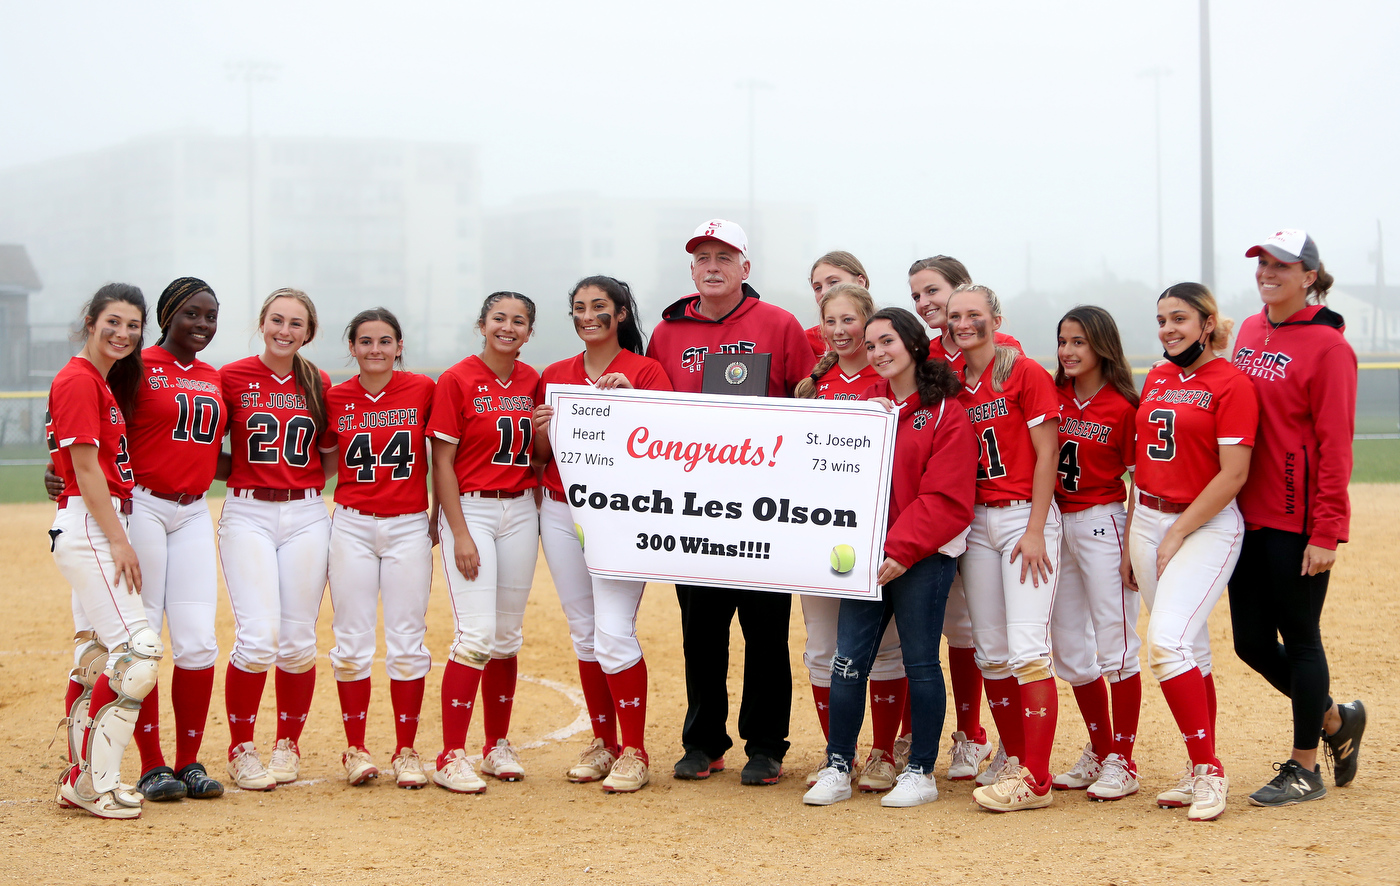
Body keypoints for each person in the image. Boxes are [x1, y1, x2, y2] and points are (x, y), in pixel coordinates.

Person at [645, 218, 815, 785]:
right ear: (692, 269)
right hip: (694, 510)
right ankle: (703, 741)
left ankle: (766, 745)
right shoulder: (668, 333)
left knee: (767, 632)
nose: (712, 266)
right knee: (701, 630)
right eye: (703, 258)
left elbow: (805, 408)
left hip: (764, 511)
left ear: (746, 267)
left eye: (725, 257)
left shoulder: (779, 324)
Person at [802, 307, 977, 808]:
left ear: (915, 345)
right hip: (866, 558)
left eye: (888, 343)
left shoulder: (947, 411)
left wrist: (900, 550)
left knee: (921, 662)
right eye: (871, 344)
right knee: (847, 661)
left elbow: (946, 498)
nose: (878, 353)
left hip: (923, 556)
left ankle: (920, 770)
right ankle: (838, 765)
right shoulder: (866, 407)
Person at [1229, 230, 1365, 805]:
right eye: (1262, 262)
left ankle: (1305, 766)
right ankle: (1336, 718)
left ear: (1309, 275)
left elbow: (1335, 446)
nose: (1268, 272)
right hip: (1243, 514)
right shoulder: (1249, 328)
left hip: (1294, 516)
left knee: (1302, 641)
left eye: (1282, 265)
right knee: (1252, 644)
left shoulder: (1331, 348)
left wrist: (1327, 530)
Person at [533, 276, 672, 793]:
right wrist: (542, 429)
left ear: (620, 314)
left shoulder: (646, 370)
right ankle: (603, 741)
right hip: (560, 510)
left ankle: (634, 749)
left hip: (620, 514)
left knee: (613, 632)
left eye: (599, 307)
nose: (588, 315)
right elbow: (543, 459)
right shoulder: (555, 374)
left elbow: (668, 447)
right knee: (584, 630)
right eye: (579, 308)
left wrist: (635, 400)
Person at [1126, 282, 1257, 822]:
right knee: (1192, 651)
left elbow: (1235, 474)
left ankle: (1210, 770)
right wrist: (1136, 528)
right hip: (1149, 519)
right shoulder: (1157, 376)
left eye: (1179, 319)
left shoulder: (1232, 384)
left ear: (1207, 324)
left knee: (1167, 644)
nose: (1168, 330)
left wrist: (1178, 531)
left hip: (1203, 525)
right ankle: (1196, 766)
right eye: (1161, 320)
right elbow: (1143, 465)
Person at [946, 283, 1064, 813]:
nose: (964, 323)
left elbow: (1047, 455)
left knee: (1027, 649)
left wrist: (1037, 527)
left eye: (975, 314)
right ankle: (1018, 761)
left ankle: (1037, 779)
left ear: (996, 317)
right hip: (974, 522)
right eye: (955, 316)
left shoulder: (1024, 372)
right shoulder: (950, 381)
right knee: (991, 652)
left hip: (1021, 518)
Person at [49, 284, 160, 819]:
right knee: (136, 657)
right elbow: (86, 470)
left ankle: (79, 780)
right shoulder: (77, 380)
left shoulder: (98, 380)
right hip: (93, 526)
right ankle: (101, 786)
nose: (123, 333)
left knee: (95, 660)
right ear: (90, 320)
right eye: (113, 322)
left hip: (89, 523)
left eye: (133, 326)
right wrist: (119, 539)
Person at [793, 283, 908, 793]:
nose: (840, 332)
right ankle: (837, 752)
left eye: (849, 321)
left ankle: (883, 753)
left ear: (868, 322)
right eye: (830, 322)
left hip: (878, 531)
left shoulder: (889, 381)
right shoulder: (813, 386)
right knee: (822, 648)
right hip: (820, 531)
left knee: (884, 651)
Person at [218, 288, 332, 791]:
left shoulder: (317, 381)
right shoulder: (231, 377)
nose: (285, 331)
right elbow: (203, 444)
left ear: (309, 332)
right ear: (261, 322)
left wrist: (301, 484)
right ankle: (241, 747)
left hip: (307, 511)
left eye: (296, 324)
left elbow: (327, 454)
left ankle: (288, 744)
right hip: (248, 511)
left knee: (300, 641)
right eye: (277, 320)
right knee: (258, 638)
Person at [428, 291, 541, 794]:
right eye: (499, 318)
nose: (508, 327)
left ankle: (496, 745)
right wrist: (458, 532)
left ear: (530, 332)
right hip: (472, 507)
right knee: (474, 635)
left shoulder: (532, 380)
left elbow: (537, 455)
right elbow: (442, 463)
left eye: (519, 321)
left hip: (520, 508)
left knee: (507, 638)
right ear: (482, 324)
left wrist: (546, 431)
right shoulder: (456, 378)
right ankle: (450, 753)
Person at [321, 309, 437, 788]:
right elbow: (320, 459)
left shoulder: (424, 389)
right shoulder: (335, 396)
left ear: (399, 345)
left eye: (385, 341)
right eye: (365, 341)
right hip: (351, 524)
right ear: (352, 347)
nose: (375, 349)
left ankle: (406, 750)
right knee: (351, 640)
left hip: (408, 525)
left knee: (408, 640)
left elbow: (452, 448)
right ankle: (356, 748)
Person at [905, 256, 1002, 782]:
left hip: (988, 506)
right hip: (940, 508)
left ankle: (973, 735)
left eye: (933, 291)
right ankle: (909, 735)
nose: (925, 303)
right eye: (916, 295)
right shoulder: (921, 357)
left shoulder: (998, 355)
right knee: (936, 626)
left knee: (970, 629)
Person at [1046, 306, 1143, 801]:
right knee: (1068, 646)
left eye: (1079, 342)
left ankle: (1123, 761)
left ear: (1101, 345)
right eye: (1063, 341)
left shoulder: (1124, 405)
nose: (1068, 352)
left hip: (1104, 521)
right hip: (1058, 524)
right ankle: (1103, 750)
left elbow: (1139, 482)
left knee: (1117, 643)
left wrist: (1131, 546)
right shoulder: (1053, 394)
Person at [803, 252, 869, 358]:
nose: (824, 292)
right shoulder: (806, 340)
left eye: (833, 282)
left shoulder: (891, 333)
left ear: (860, 282)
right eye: (817, 288)